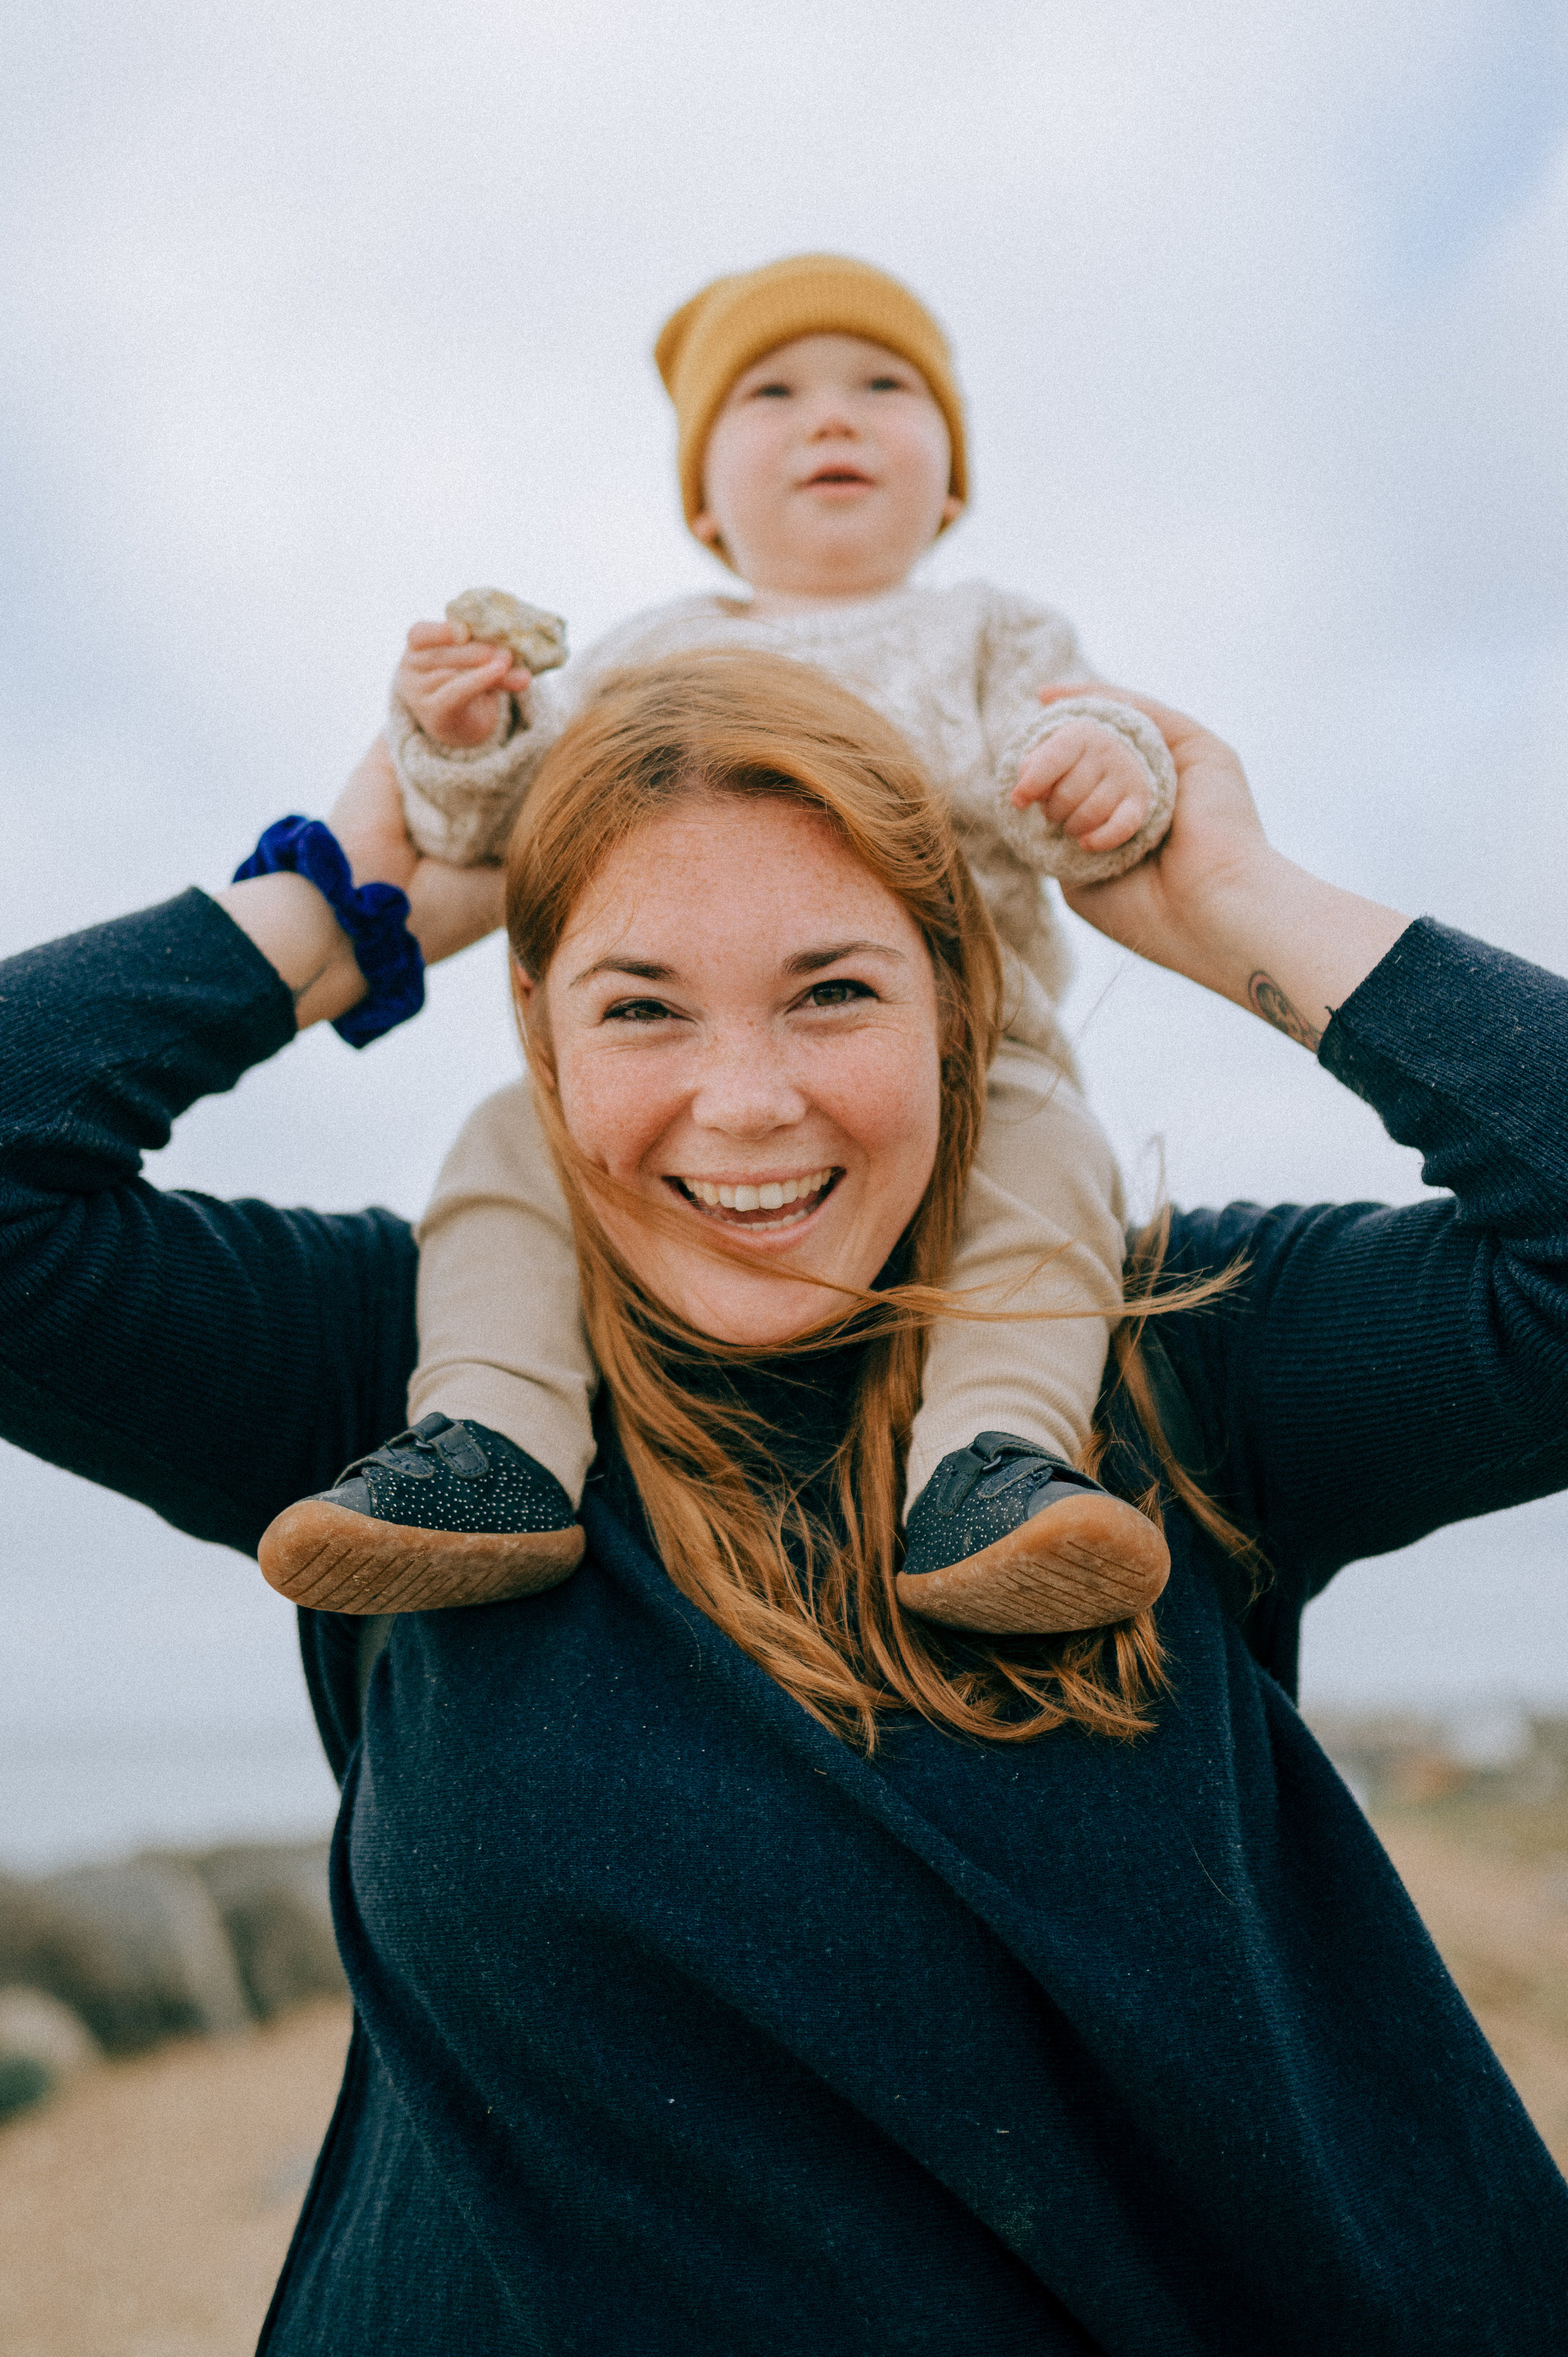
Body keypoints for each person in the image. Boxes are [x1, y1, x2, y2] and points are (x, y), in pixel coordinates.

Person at [3, 659, 1567, 2350]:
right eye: (640, 1005)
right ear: (537, 1034)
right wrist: (337, 900)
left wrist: (1225, 901)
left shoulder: (1176, 1352)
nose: (747, 1102)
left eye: (831, 993)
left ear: (957, 1009)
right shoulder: (401, 1396)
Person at [267, 252, 1185, 1632]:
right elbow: (506, 817)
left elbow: (1094, 744)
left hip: (970, 1061)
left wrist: (1104, 765)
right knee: (504, 1156)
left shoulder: (994, 634)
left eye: (882, 386)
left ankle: (994, 1463)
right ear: (701, 500)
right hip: (663, 1071)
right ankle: (493, 1439)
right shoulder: (649, 654)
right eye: (772, 393)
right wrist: (454, 735)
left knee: (1050, 1178)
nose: (831, 417)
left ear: (949, 483)